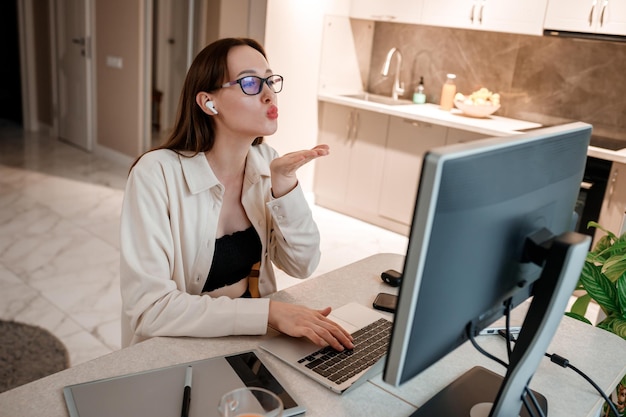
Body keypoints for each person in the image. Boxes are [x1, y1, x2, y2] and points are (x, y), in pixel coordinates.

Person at [119, 37, 354, 352]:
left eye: (270, 80)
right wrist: (269, 312)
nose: (269, 93)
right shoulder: (156, 174)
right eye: (250, 83)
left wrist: (285, 185)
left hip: (252, 340)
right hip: (178, 347)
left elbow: (303, 265)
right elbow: (152, 310)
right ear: (208, 103)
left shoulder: (266, 161)